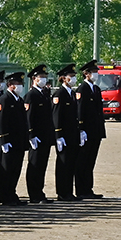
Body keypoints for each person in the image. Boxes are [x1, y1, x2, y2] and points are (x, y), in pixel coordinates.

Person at [0, 71, 29, 205]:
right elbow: (0, 121)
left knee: (15, 169)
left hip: (18, 142)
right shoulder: (4, 100)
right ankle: (5, 195)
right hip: (8, 142)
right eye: (17, 84)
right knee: (6, 170)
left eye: (21, 84)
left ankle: (12, 193)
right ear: (10, 85)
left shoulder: (19, 100)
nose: (20, 86)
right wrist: (3, 140)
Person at [75, 59, 106, 200]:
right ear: (86, 74)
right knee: (83, 161)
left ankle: (88, 188)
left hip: (95, 131)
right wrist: (81, 129)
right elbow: (80, 111)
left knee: (91, 161)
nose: (96, 74)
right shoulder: (82, 89)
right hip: (86, 132)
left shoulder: (96, 89)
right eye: (94, 72)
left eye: (96, 72)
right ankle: (81, 190)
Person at [23, 65, 55, 204]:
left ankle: (39, 192)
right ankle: (34, 194)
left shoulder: (44, 94)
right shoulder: (31, 95)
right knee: (35, 165)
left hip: (45, 136)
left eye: (44, 77)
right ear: (34, 79)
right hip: (36, 136)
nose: (43, 79)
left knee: (42, 165)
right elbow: (29, 117)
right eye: (41, 77)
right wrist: (31, 135)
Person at [52, 64, 80, 202]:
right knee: (63, 164)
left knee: (71, 164)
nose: (74, 78)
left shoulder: (72, 93)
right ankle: (62, 192)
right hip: (63, 136)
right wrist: (58, 135)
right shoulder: (59, 94)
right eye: (71, 76)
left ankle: (69, 191)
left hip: (72, 135)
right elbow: (56, 116)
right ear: (64, 78)